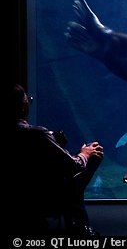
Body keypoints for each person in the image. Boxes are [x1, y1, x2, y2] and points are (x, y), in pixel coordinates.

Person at [7, 84, 104, 236]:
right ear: (24, 106)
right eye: (29, 101)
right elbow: (73, 165)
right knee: (94, 154)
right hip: (45, 198)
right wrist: (85, 153)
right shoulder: (38, 134)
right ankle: (80, 227)